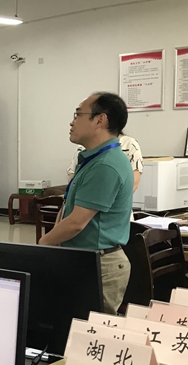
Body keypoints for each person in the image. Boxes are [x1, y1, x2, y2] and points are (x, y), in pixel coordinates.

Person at [40, 92, 133, 315]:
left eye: (78, 114)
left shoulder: (106, 165)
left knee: (90, 331)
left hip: (100, 264)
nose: (72, 122)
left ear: (100, 120)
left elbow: (77, 222)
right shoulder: (94, 159)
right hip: (85, 258)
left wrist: (43, 244)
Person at [68, 133, 143, 191]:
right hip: (81, 200)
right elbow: (72, 177)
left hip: (113, 203)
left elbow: (134, 183)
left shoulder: (129, 144)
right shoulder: (82, 147)